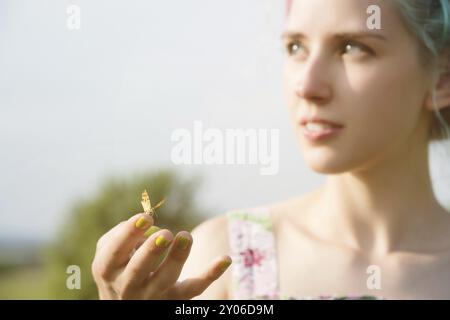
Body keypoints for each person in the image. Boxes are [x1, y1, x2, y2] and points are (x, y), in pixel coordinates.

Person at [92, 0, 450, 299]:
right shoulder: (223, 259)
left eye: (353, 47)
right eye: (296, 47)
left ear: (442, 76)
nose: (307, 86)